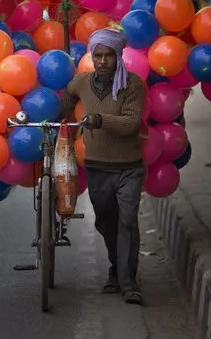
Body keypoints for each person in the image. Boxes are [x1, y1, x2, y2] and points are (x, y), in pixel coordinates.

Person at [60, 28, 146, 305]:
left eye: (109, 55)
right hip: (98, 167)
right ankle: (116, 270)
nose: (103, 61)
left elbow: (131, 123)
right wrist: (62, 114)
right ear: (92, 57)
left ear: (118, 56)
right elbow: (68, 94)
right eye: (98, 55)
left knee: (127, 221)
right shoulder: (83, 82)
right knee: (106, 223)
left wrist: (100, 120)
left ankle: (129, 282)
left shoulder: (132, 85)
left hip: (129, 168)